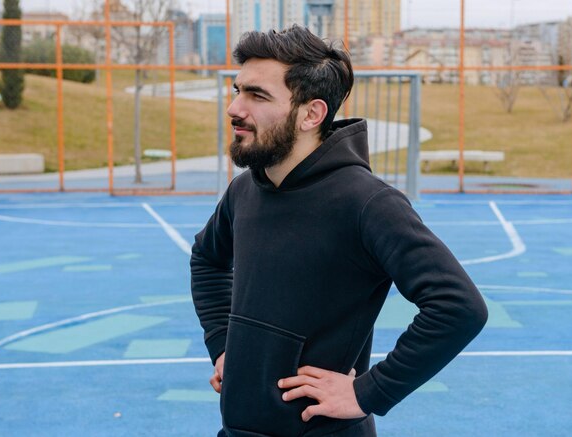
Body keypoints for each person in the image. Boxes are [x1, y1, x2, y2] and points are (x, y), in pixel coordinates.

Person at [190, 25, 488, 437]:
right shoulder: (245, 189)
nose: (234, 108)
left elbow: (459, 308)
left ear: (312, 114)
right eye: (238, 90)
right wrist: (223, 345)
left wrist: (371, 391)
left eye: (257, 96)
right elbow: (207, 259)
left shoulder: (367, 203)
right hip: (238, 427)